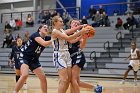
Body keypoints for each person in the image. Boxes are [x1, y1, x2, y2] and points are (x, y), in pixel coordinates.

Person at [51, 16, 88, 93]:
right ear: (55, 23)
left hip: (67, 55)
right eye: (60, 21)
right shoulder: (55, 31)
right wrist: (81, 32)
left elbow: (72, 38)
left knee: (68, 80)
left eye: (62, 21)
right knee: (64, 79)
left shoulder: (61, 30)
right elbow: (68, 38)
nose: (62, 23)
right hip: (59, 55)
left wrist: (81, 27)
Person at [13, 24, 52, 93]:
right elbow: (45, 44)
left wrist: (62, 34)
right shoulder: (35, 35)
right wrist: (55, 38)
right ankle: (15, 91)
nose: (46, 28)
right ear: (39, 29)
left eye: (47, 27)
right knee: (25, 74)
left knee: (43, 78)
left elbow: (63, 33)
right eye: (44, 27)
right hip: (25, 57)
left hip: (34, 60)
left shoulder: (46, 37)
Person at [68, 19, 103, 93]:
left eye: (77, 24)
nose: (76, 24)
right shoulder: (67, 32)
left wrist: (85, 38)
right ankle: (96, 87)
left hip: (78, 56)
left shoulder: (79, 33)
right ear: (70, 24)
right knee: (76, 81)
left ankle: (95, 87)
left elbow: (81, 46)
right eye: (74, 23)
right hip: (70, 58)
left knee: (73, 80)